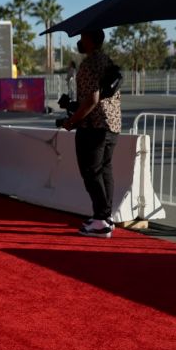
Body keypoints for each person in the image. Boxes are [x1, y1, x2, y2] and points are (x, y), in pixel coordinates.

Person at [61, 28, 123, 239]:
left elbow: (92, 100)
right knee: (105, 170)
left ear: (89, 40)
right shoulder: (106, 61)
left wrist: (71, 121)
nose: (79, 41)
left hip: (94, 126)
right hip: (112, 125)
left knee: (91, 171)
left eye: (82, 37)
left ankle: (100, 220)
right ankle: (105, 217)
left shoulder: (89, 64)